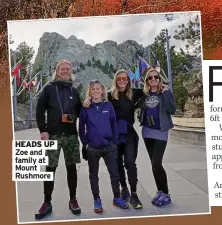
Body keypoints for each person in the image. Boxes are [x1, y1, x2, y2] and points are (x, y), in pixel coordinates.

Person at [83, 69, 144, 209]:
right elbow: (97, 97)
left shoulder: (135, 93)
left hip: (128, 133)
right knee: (118, 165)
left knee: (130, 163)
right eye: (119, 78)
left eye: (125, 78)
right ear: (115, 80)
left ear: (128, 80)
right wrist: (87, 99)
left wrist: (163, 87)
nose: (122, 81)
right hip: (114, 135)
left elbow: (150, 89)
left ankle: (134, 194)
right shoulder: (110, 96)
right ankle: (124, 189)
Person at [35, 60, 82, 219]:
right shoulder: (49, 88)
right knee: (50, 169)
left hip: (71, 135)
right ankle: (47, 202)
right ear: (57, 70)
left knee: (71, 168)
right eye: (62, 68)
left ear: (71, 72)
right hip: (53, 134)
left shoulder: (74, 91)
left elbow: (81, 112)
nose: (65, 71)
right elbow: (40, 109)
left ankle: (73, 199)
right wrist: (43, 130)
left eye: (68, 69)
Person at [79, 80, 129, 213]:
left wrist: (115, 141)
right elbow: (81, 126)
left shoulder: (108, 106)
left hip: (109, 146)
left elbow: (114, 124)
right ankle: (97, 199)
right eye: (93, 89)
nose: (96, 91)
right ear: (90, 92)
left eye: (98, 89)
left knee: (115, 173)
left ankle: (117, 197)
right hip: (93, 148)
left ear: (102, 91)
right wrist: (86, 143)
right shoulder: (86, 107)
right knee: (93, 174)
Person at [137, 68, 176, 207]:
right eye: (150, 78)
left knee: (157, 163)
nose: (153, 79)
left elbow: (172, 109)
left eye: (156, 77)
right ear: (147, 81)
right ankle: (159, 191)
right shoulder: (145, 94)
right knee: (153, 165)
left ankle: (166, 193)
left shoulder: (164, 92)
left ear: (159, 79)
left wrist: (166, 92)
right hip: (147, 132)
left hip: (160, 132)